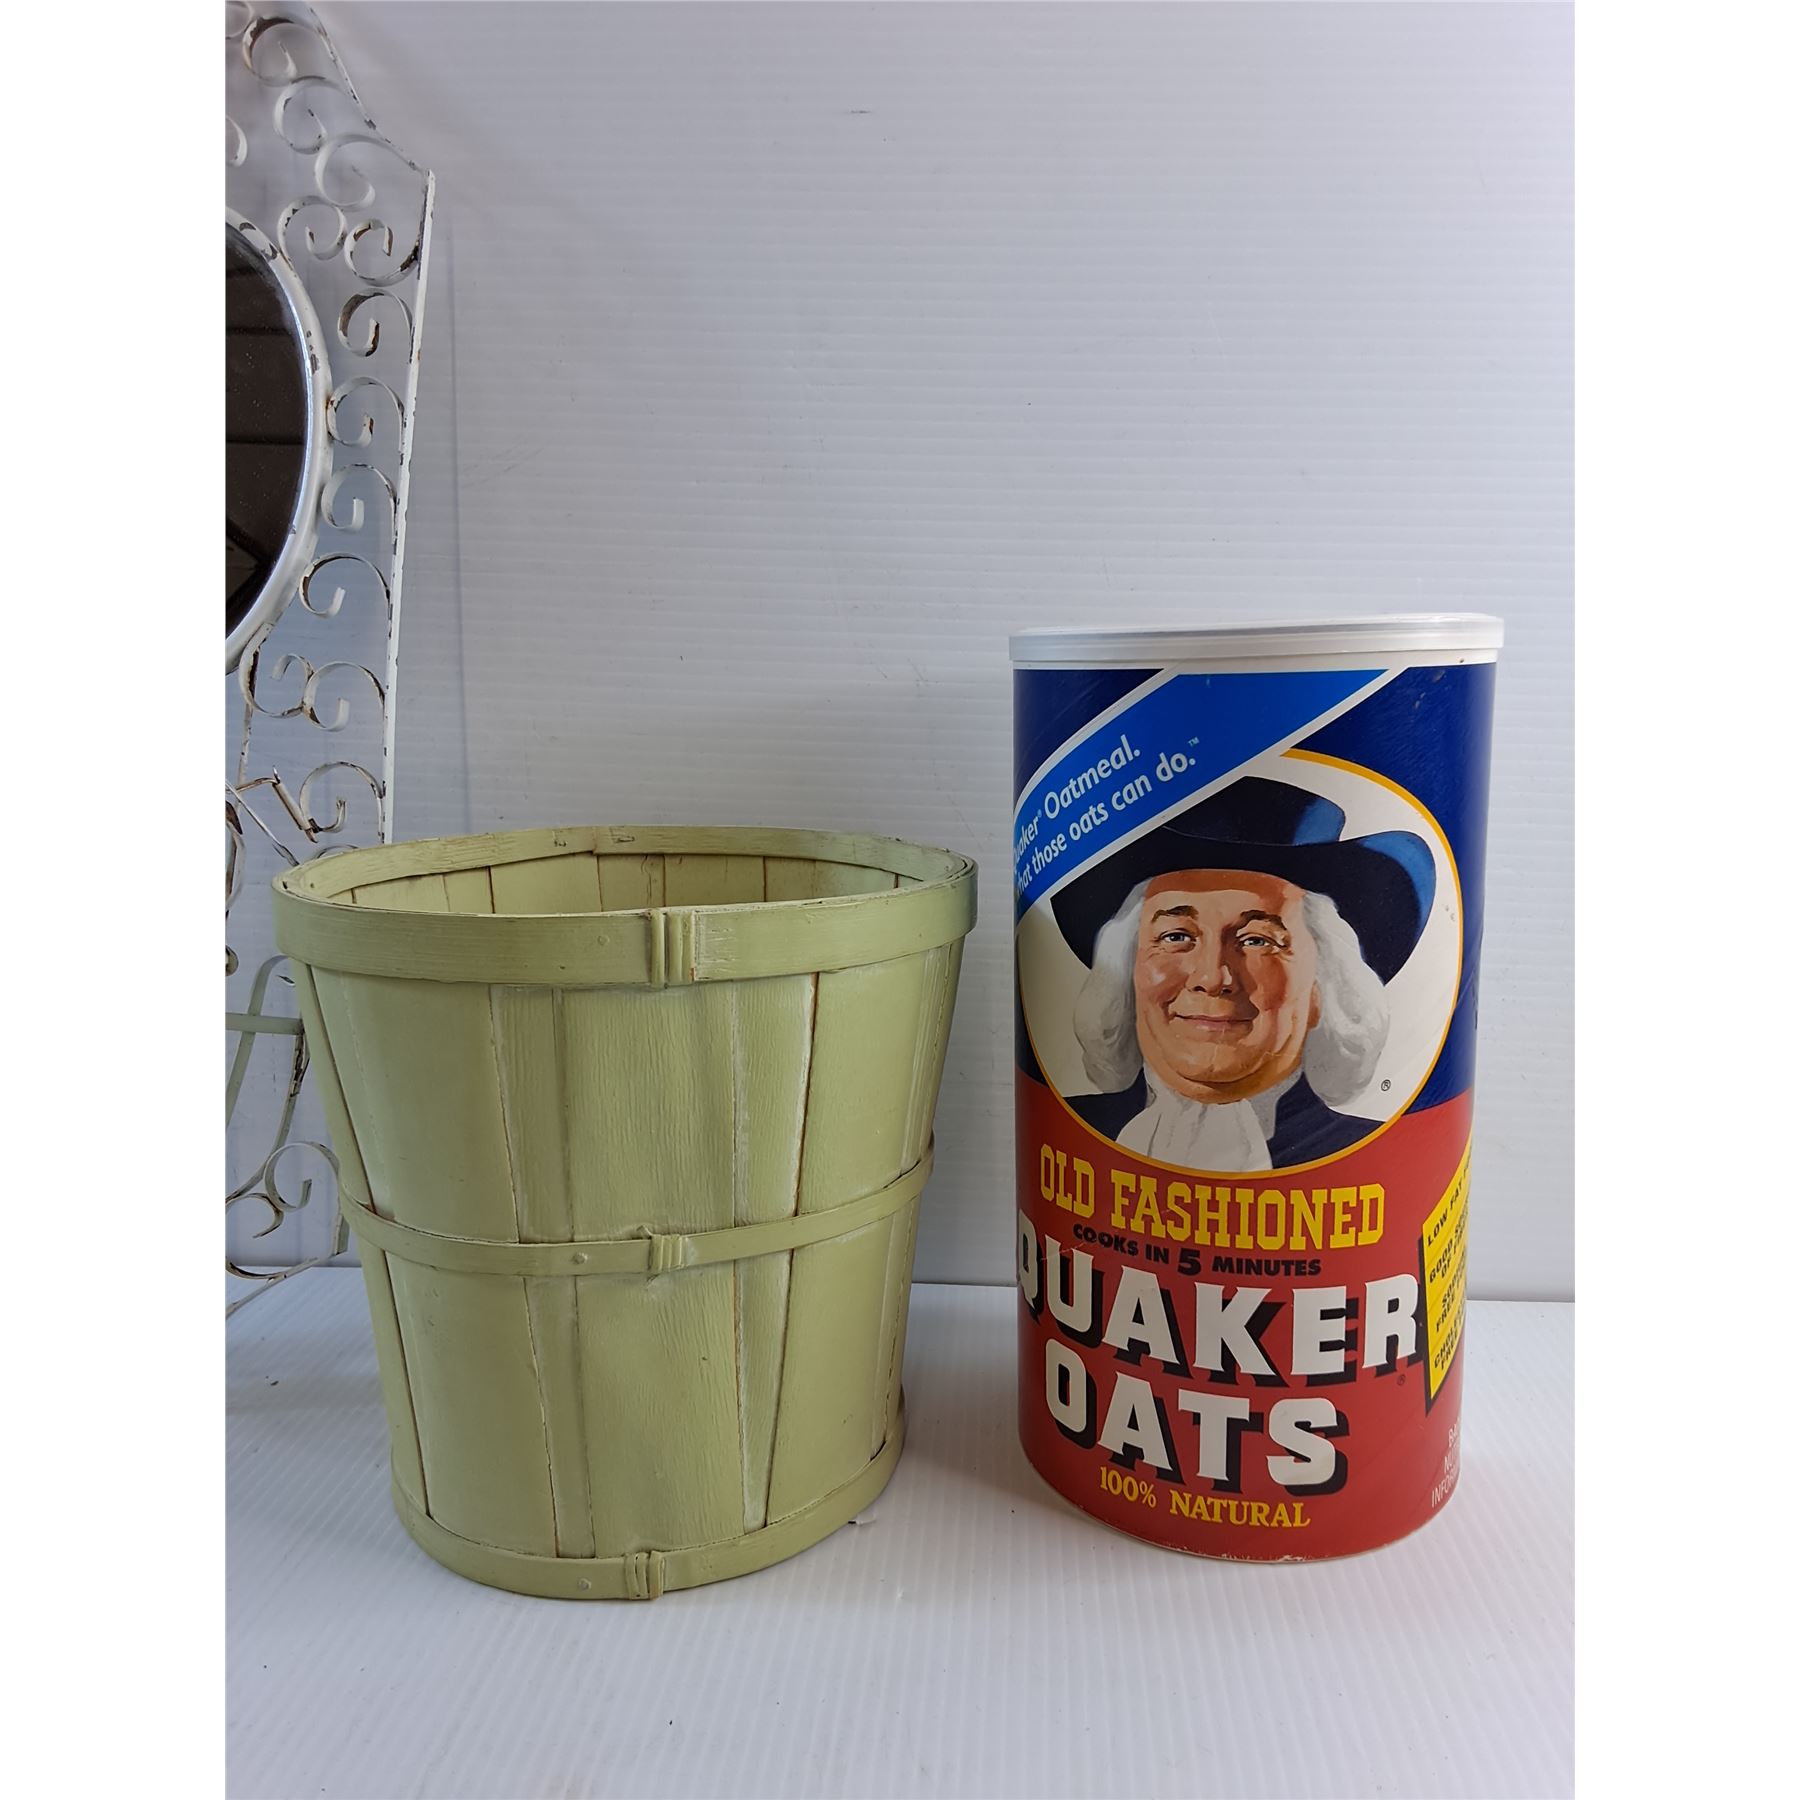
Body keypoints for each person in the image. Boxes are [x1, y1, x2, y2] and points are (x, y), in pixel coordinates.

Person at [1045, 777, 1435, 1169]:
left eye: (1257, 941)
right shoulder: (1062, 1127)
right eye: (1176, 936)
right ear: (1127, 971)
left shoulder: (1378, 1156)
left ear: (1324, 986)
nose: (1212, 978)